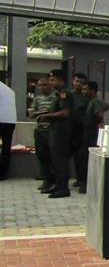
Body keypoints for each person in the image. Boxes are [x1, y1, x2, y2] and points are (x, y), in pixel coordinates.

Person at [35, 69, 74, 198]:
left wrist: (47, 116)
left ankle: (63, 188)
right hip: (55, 130)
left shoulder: (64, 93)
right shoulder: (58, 94)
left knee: (60, 160)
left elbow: (65, 112)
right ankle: (57, 185)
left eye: (53, 80)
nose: (50, 82)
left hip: (61, 131)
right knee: (55, 160)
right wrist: (42, 113)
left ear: (61, 80)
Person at [75, 81, 109, 193]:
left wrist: (99, 120)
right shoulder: (92, 101)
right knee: (82, 158)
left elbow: (100, 115)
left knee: (86, 159)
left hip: (91, 134)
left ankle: (87, 184)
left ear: (92, 91)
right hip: (87, 133)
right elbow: (107, 105)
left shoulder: (96, 102)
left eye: (85, 89)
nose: (83, 91)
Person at [29, 77, 56, 190]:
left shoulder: (55, 97)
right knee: (41, 156)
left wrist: (41, 113)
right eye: (39, 85)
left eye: (44, 85)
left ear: (49, 85)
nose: (42, 88)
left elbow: (55, 111)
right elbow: (31, 115)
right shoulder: (37, 99)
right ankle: (46, 179)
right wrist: (42, 112)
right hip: (40, 131)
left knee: (53, 157)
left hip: (52, 131)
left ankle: (53, 180)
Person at [69, 72, 90, 191]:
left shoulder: (86, 98)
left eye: (81, 82)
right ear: (73, 81)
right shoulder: (68, 95)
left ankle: (81, 179)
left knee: (80, 157)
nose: (78, 84)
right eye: (77, 81)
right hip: (67, 129)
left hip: (80, 130)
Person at [0, 79, 15, 181]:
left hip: (1, 120)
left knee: (5, 148)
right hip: (10, 121)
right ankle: (3, 174)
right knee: (6, 147)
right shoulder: (7, 89)